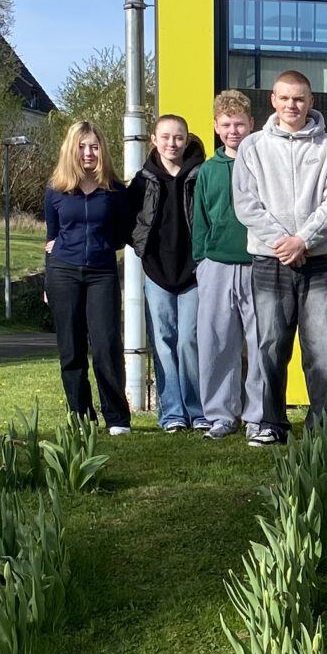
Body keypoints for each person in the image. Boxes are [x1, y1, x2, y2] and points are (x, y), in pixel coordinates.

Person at [234, 69, 327, 446]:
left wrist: (304, 240)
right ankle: (271, 423)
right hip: (270, 260)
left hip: (316, 261)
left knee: (324, 348)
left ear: (311, 102)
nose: (292, 105)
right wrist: (284, 242)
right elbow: (246, 205)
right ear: (273, 100)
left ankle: (324, 423)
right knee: (269, 345)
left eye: (299, 98)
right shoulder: (252, 147)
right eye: (285, 98)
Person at [41, 119, 133, 434]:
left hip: (102, 273)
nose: (88, 153)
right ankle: (80, 417)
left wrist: (101, 244)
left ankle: (117, 419)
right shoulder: (55, 190)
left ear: (102, 150)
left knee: (107, 345)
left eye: (94, 146)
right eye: (82, 147)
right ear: (71, 150)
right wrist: (46, 281)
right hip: (62, 272)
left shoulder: (116, 191)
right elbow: (51, 238)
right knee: (71, 348)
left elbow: (122, 235)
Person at [192, 90, 264, 443]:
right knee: (216, 342)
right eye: (226, 125)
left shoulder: (262, 163)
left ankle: (258, 415)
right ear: (216, 127)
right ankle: (221, 415)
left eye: (239, 124)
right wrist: (201, 260)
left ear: (252, 124)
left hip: (257, 262)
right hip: (216, 264)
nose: (233, 130)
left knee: (261, 342)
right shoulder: (208, 169)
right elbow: (201, 218)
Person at [128, 112, 204, 433]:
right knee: (163, 342)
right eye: (166, 137)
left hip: (194, 272)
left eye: (178, 137)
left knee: (189, 340)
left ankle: (197, 411)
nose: (172, 143)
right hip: (157, 273)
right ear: (154, 140)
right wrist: (141, 248)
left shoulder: (201, 174)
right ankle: (172, 413)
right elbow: (127, 220)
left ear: (186, 141)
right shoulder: (143, 180)